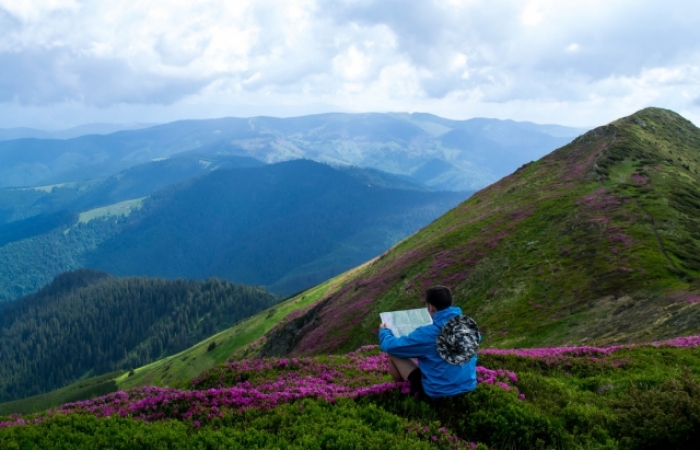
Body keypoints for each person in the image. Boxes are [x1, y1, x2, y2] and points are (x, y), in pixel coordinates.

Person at [378, 285, 478, 398]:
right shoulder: (468, 326)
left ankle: (403, 393)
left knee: (393, 353)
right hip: (469, 386)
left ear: (431, 307)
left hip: (438, 392)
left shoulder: (427, 334)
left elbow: (391, 346)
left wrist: (384, 332)